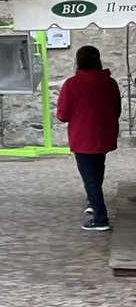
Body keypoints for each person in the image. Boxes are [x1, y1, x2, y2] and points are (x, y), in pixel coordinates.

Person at [57, 45, 120, 233]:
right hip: (104, 134)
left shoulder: (72, 84)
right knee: (97, 171)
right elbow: (116, 110)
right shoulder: (110, 83)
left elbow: (63, 115)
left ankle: (100, 218)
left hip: (82, 136)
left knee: (89, 178)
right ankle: (94, 202)